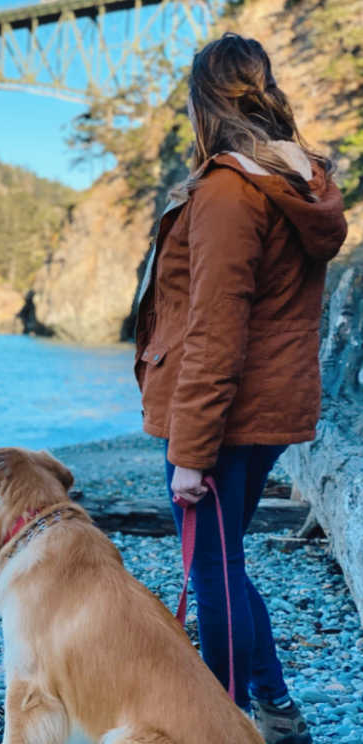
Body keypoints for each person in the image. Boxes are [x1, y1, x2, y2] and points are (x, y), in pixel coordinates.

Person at [133, 33, 347, 744]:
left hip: (226, 413)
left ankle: (226, 719)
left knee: (212, 565)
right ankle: (271, 708)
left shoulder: (230, 192)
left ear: (204, 105)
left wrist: (190, 448)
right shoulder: (291, 183)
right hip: (265, 406)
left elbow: (215, 325)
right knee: (221, 559)